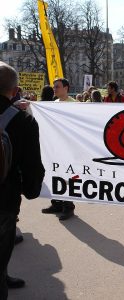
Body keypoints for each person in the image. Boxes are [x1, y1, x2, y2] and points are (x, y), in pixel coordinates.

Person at [0, 61, 45, 300]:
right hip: (4, 199)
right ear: (14, 90)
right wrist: (31, 190)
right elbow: (32, 166)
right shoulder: (22, 121)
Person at [41, 78, 76, 221]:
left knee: (67, 177)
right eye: (54, 87)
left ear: (66, 88)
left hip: (67, 148)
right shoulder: (54, 104)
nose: (54, 89)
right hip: (54, 147)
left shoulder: (75, 105)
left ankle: (68, 206)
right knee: (54, 175)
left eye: (57, 87)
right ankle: (56, 203)